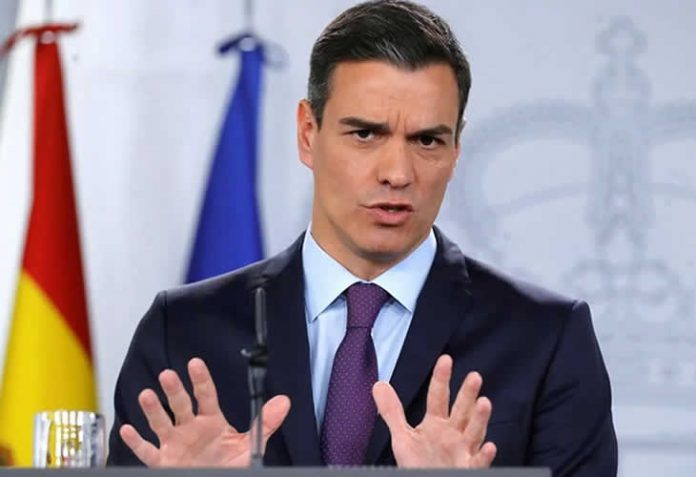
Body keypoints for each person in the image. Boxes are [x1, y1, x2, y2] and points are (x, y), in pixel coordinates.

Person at [107, 1, 618, 474]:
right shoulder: (183, 332)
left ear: (456, 150)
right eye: (366, 134)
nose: (397, 172)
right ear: (308, 134)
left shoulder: (545, 341)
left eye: (427, 140)